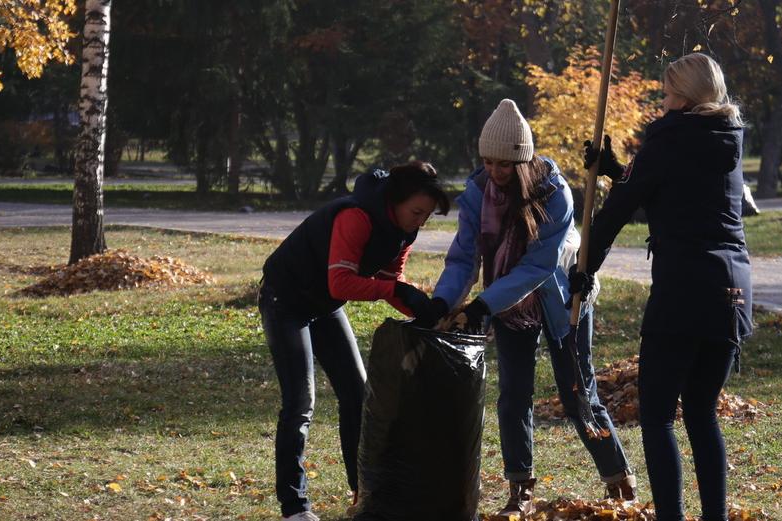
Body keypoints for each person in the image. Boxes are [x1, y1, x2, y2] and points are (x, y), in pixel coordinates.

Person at [432, 99, 636, 518]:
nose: (495, 172)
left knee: (577, 392)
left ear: (522, 161)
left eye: (504, 164)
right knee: (513, 396)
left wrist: (482, 305)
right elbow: (463, 258)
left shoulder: (553, 193)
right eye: (488, 162)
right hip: (509, 305)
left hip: (564, 297)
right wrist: (442, 302)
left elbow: (539, 266)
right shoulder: (477, 195)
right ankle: (519, 488)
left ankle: (618, 477)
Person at [581, 53, 753, 521]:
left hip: (683, 290)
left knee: (657, 416)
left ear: (683, 97)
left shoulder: (668, 138)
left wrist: (585, 268)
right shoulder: (728, 138)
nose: (662, 101)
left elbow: (617, 212)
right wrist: (618, 170)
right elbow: (675, 193)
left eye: (667, 93)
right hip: (731, 291)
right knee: (701, 412)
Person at [259, 162, 452, 521]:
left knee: (357, 395)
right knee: (300, 402)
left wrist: (422, 310)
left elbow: (390, 279)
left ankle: (363, 493)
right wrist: (395, 291)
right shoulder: (356, 217)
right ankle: (294, 507)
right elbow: (342, 283)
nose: (421, 222)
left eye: (427, 216)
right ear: (395, 201)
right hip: (285, 301)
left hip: (324, 305)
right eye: (417, 212)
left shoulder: (404, 231)